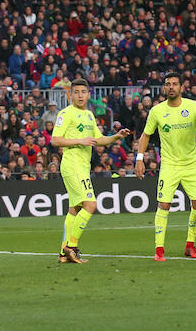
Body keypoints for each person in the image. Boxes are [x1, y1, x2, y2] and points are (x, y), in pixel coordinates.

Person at [136, 73, 196, 261]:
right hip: (169, 165)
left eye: (174, 84)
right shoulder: (157, 111)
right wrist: (139, 158)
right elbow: (145, 135)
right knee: (164, 205)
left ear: (181, 87)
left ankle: (190, 246)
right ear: (164, 88)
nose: (171, 87)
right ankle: (159, 250)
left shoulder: (193, 106)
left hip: (191, 164)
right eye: (168, 84)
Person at [51, 78, 131, 264]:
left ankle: (63, 254)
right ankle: (71, 247)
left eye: (83, 92)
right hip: (72, 165)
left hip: (82, 167)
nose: (80, 95)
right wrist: (79, 141)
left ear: (88, 95)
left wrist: (115, 137)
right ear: (70, 94)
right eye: (76, 92)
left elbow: (98, 139)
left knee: (75, 209)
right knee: (90, 205)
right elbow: (55, 140)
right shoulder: (66, 114)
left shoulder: (88, 115)